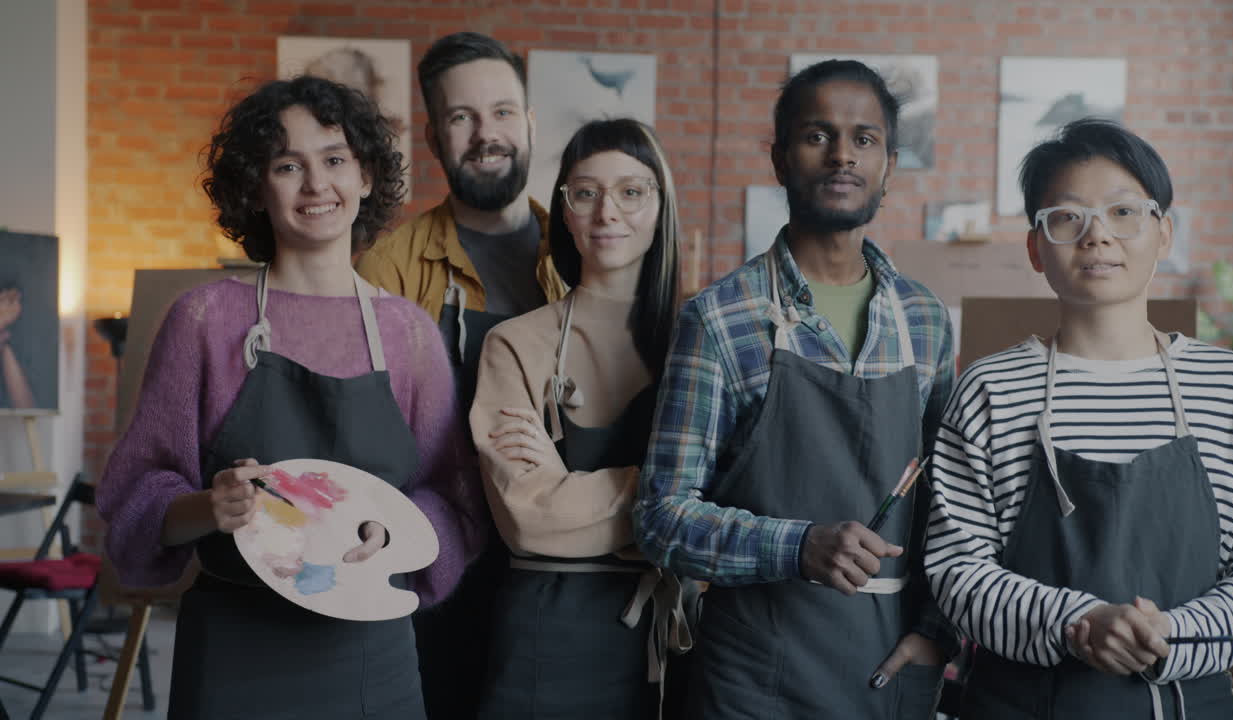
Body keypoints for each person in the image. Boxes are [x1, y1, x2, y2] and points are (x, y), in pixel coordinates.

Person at [96, 75, 485, 718]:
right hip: (234, 648)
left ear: (365, 177)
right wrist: (207, 506)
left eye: (334, 159)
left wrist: (390, 531)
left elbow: (451, 502)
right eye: (286, 165)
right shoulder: (204, 319)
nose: (315, 184)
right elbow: (139, 493)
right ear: (256, 187)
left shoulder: (407, 334)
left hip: (369, 656)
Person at [923, 118, 1233, 719]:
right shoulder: (991, 388)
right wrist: (1079, 623)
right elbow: (957, 571)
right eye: (1067, 218)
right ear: (1036, 249)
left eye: (1123, 213)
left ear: (1163, 233)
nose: (1096, 237)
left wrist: (1168, 634)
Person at [633, 59, 957, 719]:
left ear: (890, 163)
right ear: (780, 158)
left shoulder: (926, 322)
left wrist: (936, 632)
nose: (843, 154)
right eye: (818, 135)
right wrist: (799, 544)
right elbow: (661, 516)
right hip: (755, 678)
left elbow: (950, 511)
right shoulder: (721, 318)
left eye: (864, 139)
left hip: (887, 671)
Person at [356, 34, 566, 717]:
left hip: (563, 562)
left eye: (503, 112)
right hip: (435, 561)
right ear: (433, 135)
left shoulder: (584, 258)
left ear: (530, 123)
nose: (486, 134)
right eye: (461, 118)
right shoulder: (387, 271)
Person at [470, 117, 687, 719]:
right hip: (545, 636)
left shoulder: (700, 343)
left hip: (672, 644)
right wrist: (666, 500)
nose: (606, 212)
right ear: (564, 210)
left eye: (631, 191)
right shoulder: (514, 345)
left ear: (660, 206)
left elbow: (730, 501)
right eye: (585, 192)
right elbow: (525, 518)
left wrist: (567, 491)